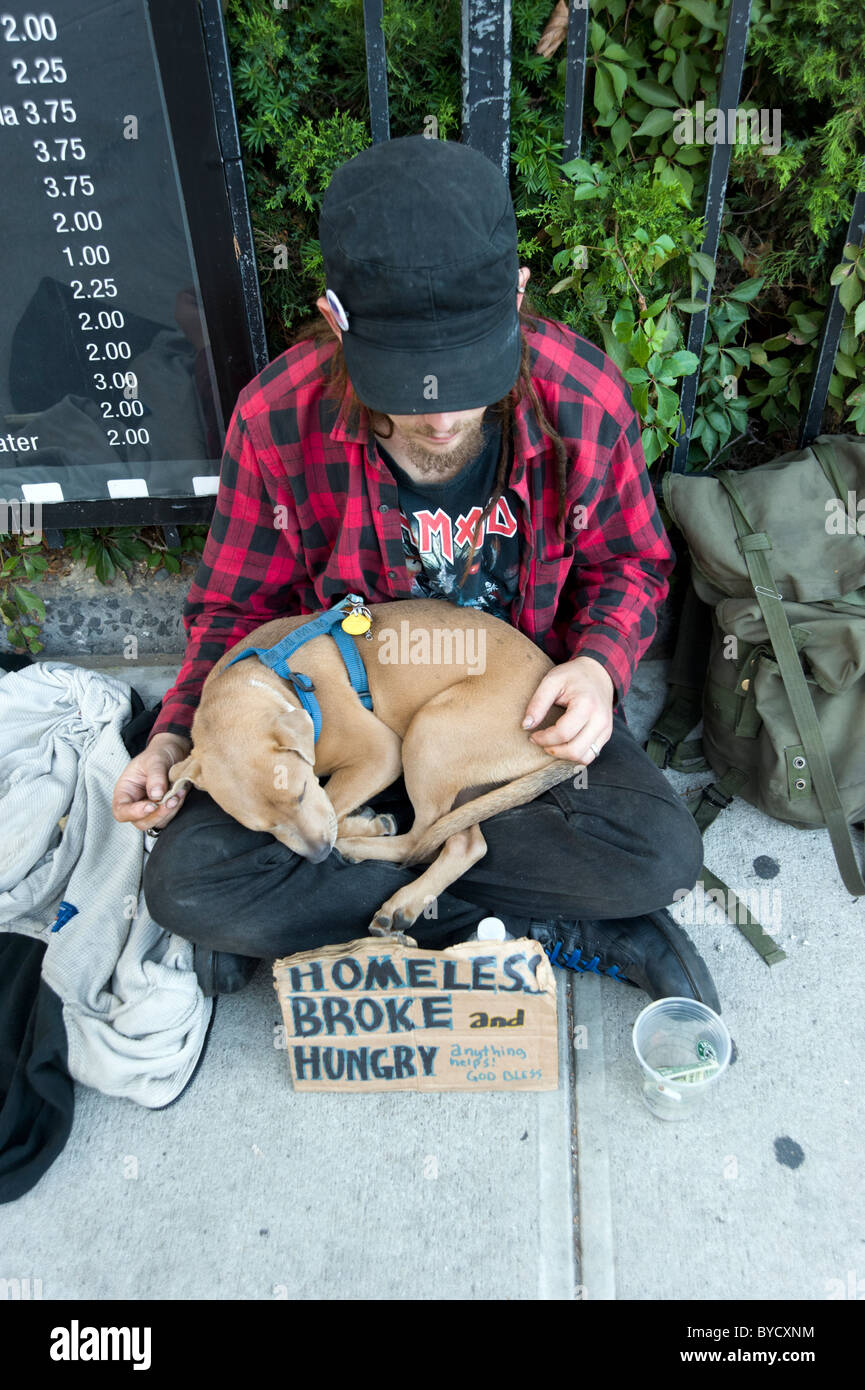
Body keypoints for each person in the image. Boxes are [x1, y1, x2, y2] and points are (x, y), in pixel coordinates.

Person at [112, 135, 716, 1009]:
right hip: (330, 737)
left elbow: (629, 564)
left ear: (515, 298)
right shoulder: (276, 418)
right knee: (184, 885)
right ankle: (543, 921)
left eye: (468, 373)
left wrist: (596, 667)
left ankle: (330, 917)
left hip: (501, 715)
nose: (439, 419)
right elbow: (233, 611)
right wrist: (173, 737)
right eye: (406, 385)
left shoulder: (578, 393)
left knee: (656, 852)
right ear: (336, 317)